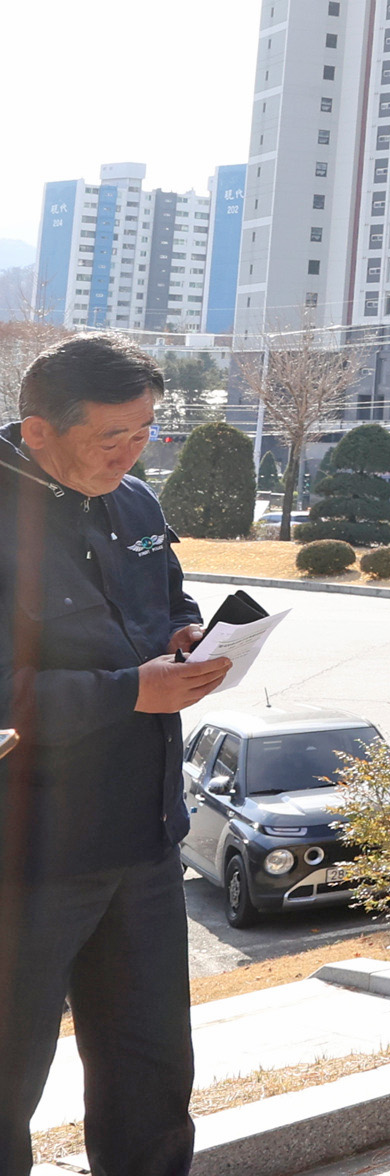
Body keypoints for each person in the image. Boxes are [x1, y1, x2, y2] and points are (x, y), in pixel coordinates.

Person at [0, 334, 219, 1176]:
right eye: (111, 438)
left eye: (146, 434)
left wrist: (188, 635)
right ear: (39, 430)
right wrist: (130, 689)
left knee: (152, 1076)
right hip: (29, 858)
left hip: (143, 840)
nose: (132, 455)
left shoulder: (134, 503)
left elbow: (169, 597)